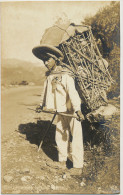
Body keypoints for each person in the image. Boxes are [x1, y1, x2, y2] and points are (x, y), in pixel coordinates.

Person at [32, 44, 85, 175]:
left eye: (48, 60)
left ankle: (78, 167)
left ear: (55, 59)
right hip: (60, 111)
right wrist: (41, 105)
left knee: (76, 137)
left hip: (71, 111)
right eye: (44, 60)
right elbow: (45, 92)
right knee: (60, 135)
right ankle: (62, 161)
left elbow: (72, 93)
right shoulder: (49, 76)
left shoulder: (66, 75)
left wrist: (78, 109)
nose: (45, 63)